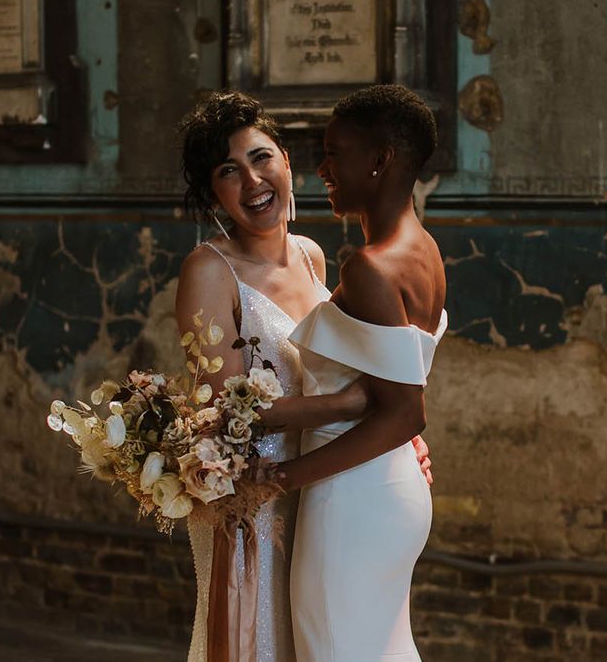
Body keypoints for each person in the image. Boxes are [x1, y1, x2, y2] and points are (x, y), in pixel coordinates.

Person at [174, 91, 432, 662]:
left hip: (328, 483)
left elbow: (372, 369)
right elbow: (222, 410)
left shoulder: (314, 255)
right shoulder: (208, 271)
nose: (252, 181)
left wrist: (400, 435)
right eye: (227, 172)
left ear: (286, 161)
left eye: (261, 158)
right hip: (257, 489)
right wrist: (354, 407)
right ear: (213, 193)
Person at [276, 85, 448, 662]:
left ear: (379, 160)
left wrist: (284, 478)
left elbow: (405, 411)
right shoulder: (424, 250)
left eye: (334, 152)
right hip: (390, 491)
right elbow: (397, 392)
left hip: (351, 497)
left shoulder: (371, 266)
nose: (322, 168)